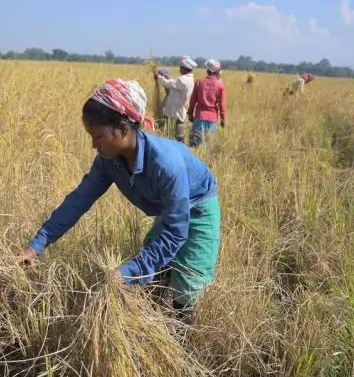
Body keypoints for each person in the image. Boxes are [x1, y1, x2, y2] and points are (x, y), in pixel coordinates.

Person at [18, 79, 221, 323]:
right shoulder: (109, 161)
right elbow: (78, 201)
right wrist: (36, 246)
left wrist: (125, 273)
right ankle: (150, 331)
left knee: (186, 289)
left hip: (198, 206)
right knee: (154, 277)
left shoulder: (166, 166)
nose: (94, 145)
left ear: (124, 129)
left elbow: (175, 233)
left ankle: (178, 342)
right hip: (171, 208)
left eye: (98, 137)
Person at [155, 56, 197, 142]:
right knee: (177, 135)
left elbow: (168, 84)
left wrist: (159, 77)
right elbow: (174, 83)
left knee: (174, 136)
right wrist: (167, 78)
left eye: (181, 68)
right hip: (179, 111)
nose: (179, 70)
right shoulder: (188, 79)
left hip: (175, 112)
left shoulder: (183, 80)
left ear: (185, 69)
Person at [187, 59, 227, 147]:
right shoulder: (220, 85)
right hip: (212, 119)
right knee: (209, 147)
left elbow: (192, 101)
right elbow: (222, 105)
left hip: (199, 117)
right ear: (218, 71)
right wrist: (223, 120)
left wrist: (190, 114)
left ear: (207, 70)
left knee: (194, 145)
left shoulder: (199, 82)